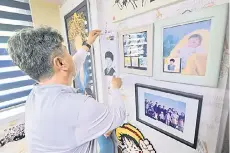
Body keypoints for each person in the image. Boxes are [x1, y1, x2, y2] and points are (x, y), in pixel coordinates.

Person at [7, 27, 126, 153]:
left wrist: (87, 44)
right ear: (60, 62)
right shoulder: (78, 106)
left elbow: (71, 66)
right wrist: (115, 88)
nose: (71, 56)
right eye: (67, 52)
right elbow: (118, 116)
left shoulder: (35, 96)